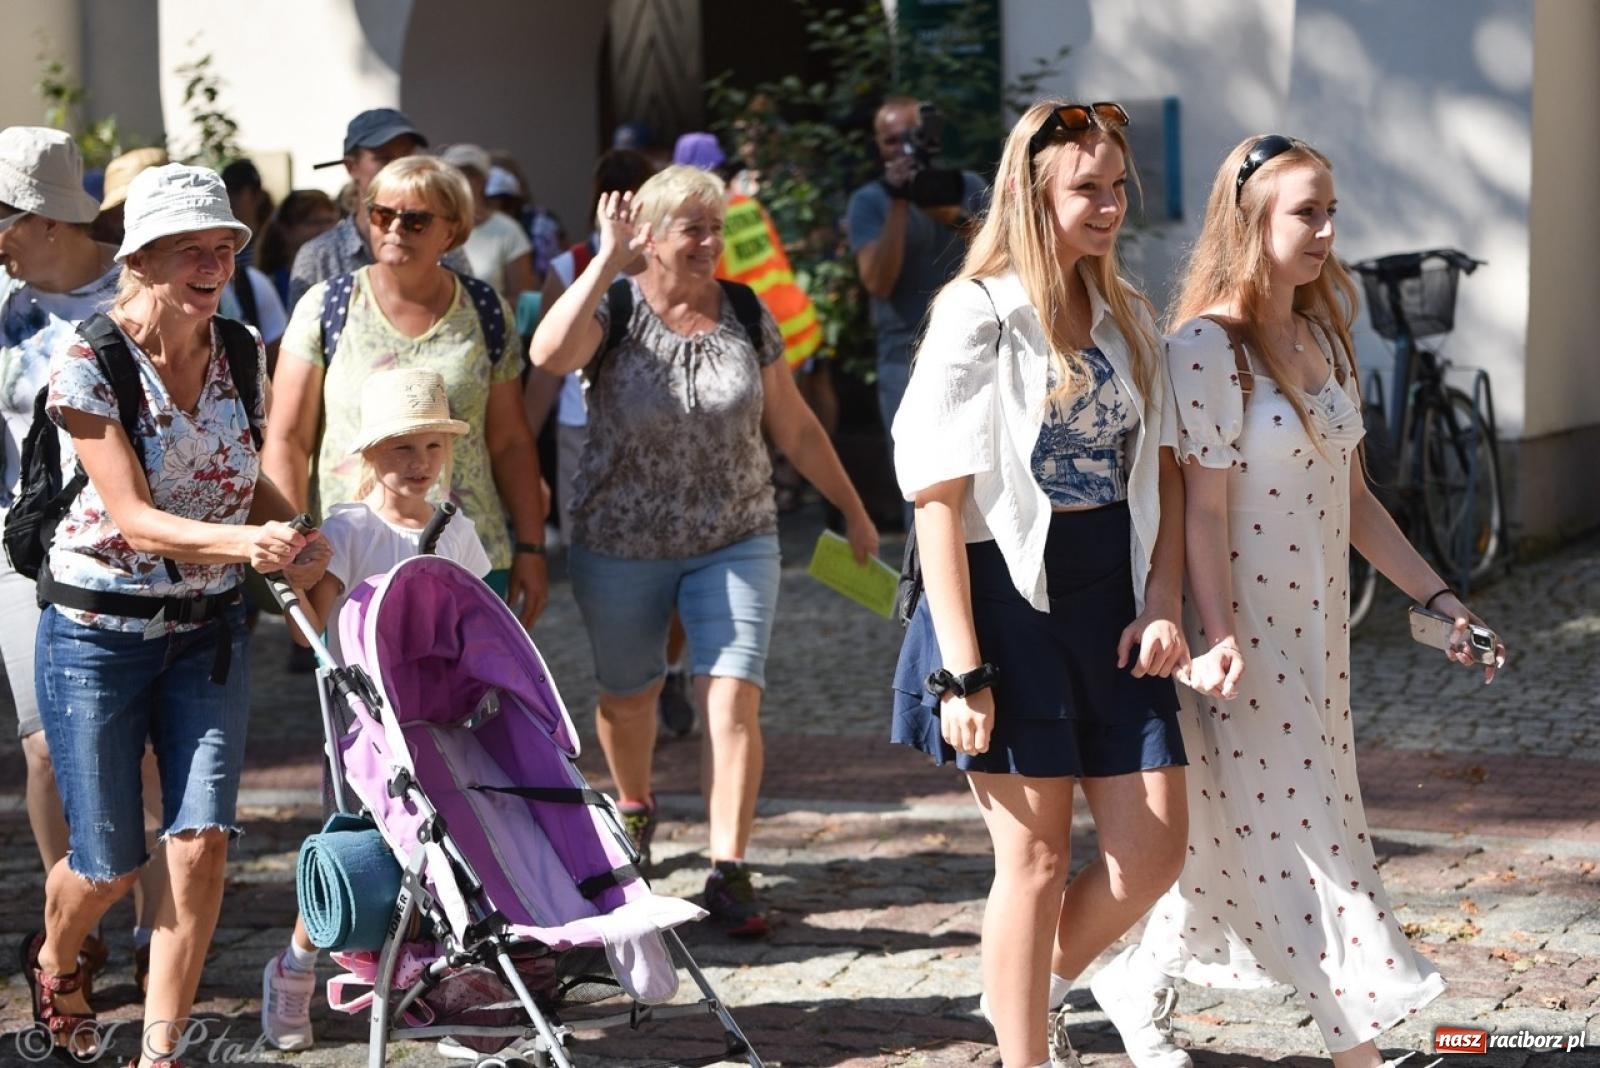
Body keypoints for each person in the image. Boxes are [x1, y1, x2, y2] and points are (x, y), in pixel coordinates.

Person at [1101, 135, 1508, 1068]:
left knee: (1239, 843)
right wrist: (1220, 633)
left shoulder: (1323, 336)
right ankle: (1356, 1049)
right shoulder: (1205, 347)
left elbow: (1358, 501)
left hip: (1322, 639)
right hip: (1245, 647)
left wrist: (1442, 600)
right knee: (1311, 844)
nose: (1326, 230)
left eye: (1331, 210)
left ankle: (1130, 979)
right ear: (1250, 221)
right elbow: (1195, 512)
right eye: (1305, 212)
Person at [889, 101, 1190, 1068]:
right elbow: (937, 499)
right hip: (1005, 600)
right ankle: (1023, 1050)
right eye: (1086, 190)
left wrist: (1163, 600)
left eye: (1117, 188)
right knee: (1033, 859)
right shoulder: (975, 313)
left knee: (1152, 853)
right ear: (1032, 194)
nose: (1109, 208)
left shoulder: (1125, 315)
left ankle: (1016, 987)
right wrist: (963, 671)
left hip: (1111, 601)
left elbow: (1165, 473)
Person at [21, 161, 326, 1067]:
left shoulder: (240, 350)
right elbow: (136, 517)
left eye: (225, 246)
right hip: (94, 632)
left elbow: (246, 485)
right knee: (109, 865)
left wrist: (302, 543)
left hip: (207, 635)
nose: (214, 262)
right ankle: (54, 956)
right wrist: (249, 548)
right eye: (190, 248)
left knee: (198, 851)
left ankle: (160, 1055)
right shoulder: (86, 362)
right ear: (142, 259)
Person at [529, 165, 879, 937]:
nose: (711, 242)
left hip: (736, 535)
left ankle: (728, 867)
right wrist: (603, 259)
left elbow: (793, 426)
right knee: (629, 696)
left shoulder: (747, 313)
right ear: (649, 235)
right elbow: (550, 355)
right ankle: (634, 803)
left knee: (733, 693)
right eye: (694, 228)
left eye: (716, 228)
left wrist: (852, 508)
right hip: (621, 541)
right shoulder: (615, 307)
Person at [261, 367, 490, 1051]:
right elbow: (326, 626)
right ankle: (296, 966)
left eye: (431, 449)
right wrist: (305, 580)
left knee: (449, 854)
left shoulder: (458, 530)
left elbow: (479, 622)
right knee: (364, 853)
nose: (419, 465)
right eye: (401, 450)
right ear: (370, 457)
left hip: (438, 718)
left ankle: (446, 988)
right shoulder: (351, 527)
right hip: (367, 725)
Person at [0, 125, 175, 995]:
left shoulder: (135, 293)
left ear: (45, 221)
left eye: (0, 218)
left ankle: (149, 927)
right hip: (21, 549)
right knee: (41, 750)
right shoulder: (3, 305)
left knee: (133, 749)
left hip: (129, 545)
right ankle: (69, 923)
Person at [264, 154, 548, 627]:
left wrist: (532, 547)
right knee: (365, 699)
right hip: (352, 556)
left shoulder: (485, 309)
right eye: (382, 214)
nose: (395, 228)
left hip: (470, 555)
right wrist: (294, 556)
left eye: (415, 220)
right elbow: (288, 439)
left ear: (451, 230)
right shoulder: (327, 306)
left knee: (469, 697)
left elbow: (512, 440)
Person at [847, 94, 988, 518]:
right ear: (879, 147)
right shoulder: (870, 202)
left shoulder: (964, 188)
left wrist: (953, 217)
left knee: (983, 476)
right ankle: (926, 580)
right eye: (891, 142)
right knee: (924, 486)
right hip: (904, 358)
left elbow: (1005, 260)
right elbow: (877, 281)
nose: (902, 149)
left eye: (910, 137)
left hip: (976, 352)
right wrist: (900, 203)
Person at [288, 107, 470, 311]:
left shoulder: (443, 246)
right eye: (385, 159)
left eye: (407, 157)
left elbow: (470, 318)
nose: (399, 168)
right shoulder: (320, 256)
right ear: (351, 167)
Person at [440, 143, 536, 299]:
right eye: (454, 173)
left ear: (484, 180)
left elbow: (522, 297)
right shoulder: (433, 226)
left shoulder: (509, 230)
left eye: (470, 174)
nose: (461, 180)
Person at [219, 158, 289, 365]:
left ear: (254, 194)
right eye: (227, 192)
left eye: (236, 192)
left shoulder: (276, 238)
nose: (230, 200)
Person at [255, 189, 338, 306]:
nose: (326, 229)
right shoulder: (267, 285)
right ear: (286, 230)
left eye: (330, 221)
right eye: (315, 222)